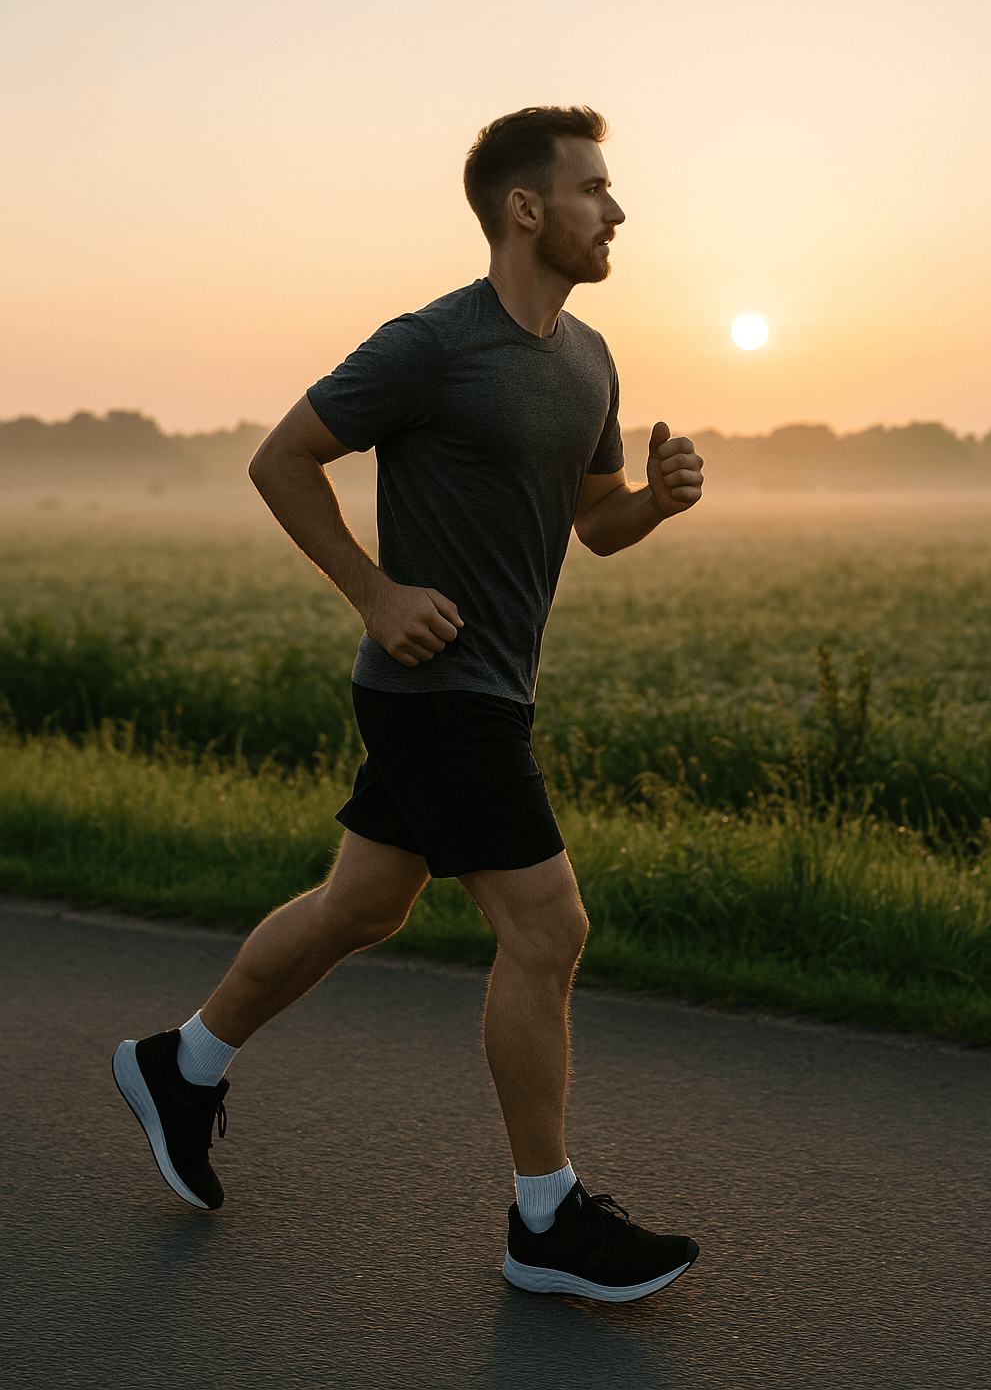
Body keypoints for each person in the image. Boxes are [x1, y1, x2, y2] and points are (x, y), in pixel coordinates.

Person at [112, 105, 705, 1303]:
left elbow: (593, 527)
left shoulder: (589, 359)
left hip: (488, 689)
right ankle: (545, 1222)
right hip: (436, 694)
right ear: (524, 210)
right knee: (548, 929)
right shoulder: (431, 344)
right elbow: (281, 458)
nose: (617, 210)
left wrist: (652, 501)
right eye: (593, 189)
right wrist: (373, 592)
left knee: (360, 906)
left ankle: (182, 1063)